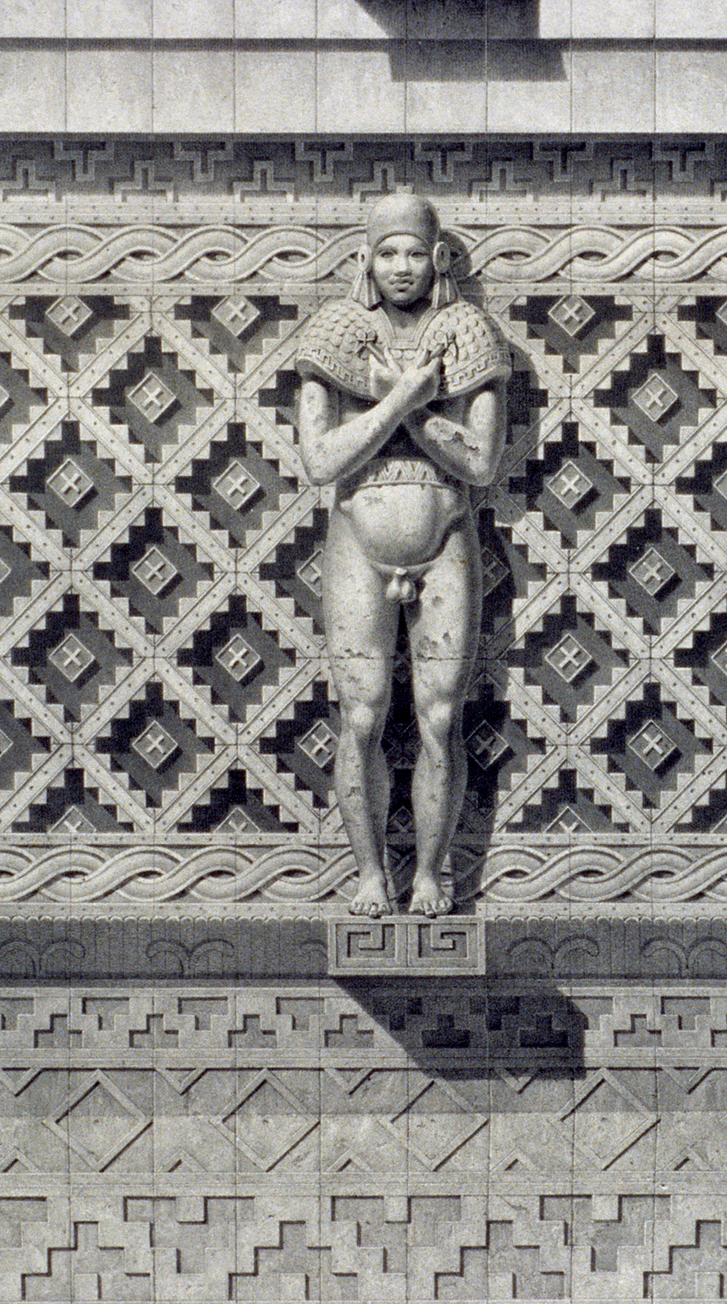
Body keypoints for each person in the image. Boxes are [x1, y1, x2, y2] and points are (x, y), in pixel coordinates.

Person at [295, 190, 509, 918]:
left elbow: (479, 462)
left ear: (438, 258)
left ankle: (429, 873)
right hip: (359, 536)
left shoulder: (467, 331)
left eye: (415, 252)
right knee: (361, 717)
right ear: (366, 259)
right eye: (387, 252)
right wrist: (400, 402)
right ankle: (368, 874)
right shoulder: (338, 333)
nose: (401, 266)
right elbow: (321, 461)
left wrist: (410, 407)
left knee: (439, 719)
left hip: (444, 536)